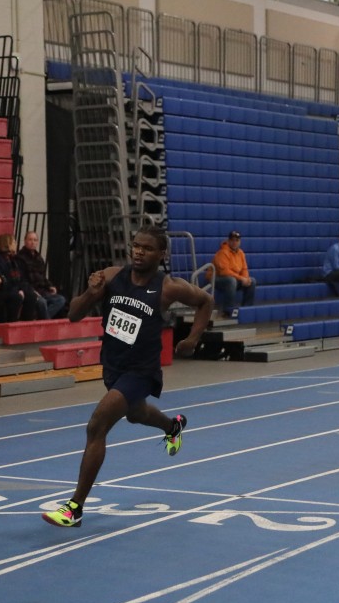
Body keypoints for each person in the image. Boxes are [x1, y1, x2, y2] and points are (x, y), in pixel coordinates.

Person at [42, 225, 214, 528]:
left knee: (97, 425)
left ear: (162, 254)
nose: (139, 252)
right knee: (136, 414)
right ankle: (172, 426)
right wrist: (91, 293)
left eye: (147, 248)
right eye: (136, 245)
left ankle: (74, 509)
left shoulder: (168, 287)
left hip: (141, 371)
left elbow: (206, 302)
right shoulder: (111, 277)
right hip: (113, 365)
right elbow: (73, 315)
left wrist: (193, 338)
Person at [0, 233, 44, 321]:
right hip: (1, 290)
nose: (16, 244)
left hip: (13, 287)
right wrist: (17, 290)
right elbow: (3, 280)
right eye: (13, 242)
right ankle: (11, 321)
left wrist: (28, 289)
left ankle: (26, 322)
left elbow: (20, 278)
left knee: (31, 295)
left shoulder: (12, 259)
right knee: (16, 297)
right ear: (7, 244)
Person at [16, 231, 67, 319]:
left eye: (35, 240)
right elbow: (22, 280)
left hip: (42, 290)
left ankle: (42, 320)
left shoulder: (39, 258)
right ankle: (45, 321)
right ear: (25, 241)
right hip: (30, 292)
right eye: (30, 239)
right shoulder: (20, 258)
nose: (32, 242)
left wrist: (50, 286)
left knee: (61, 299)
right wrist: (33, 291)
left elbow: (42, 277)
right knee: (42, 302)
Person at [212, 230, 255, 316]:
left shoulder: (241, 253)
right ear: (228, 241)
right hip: (217, 279)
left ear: (240, 242)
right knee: (231, 281)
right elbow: (224, 272)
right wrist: (241, 278)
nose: (234, 242)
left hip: (233, 279)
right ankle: (228, 311)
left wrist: (246, 279)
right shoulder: (222, 253)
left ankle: (246, 310)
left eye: (237, 240)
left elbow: (244, 269)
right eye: (232, 240)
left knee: (252, 281)